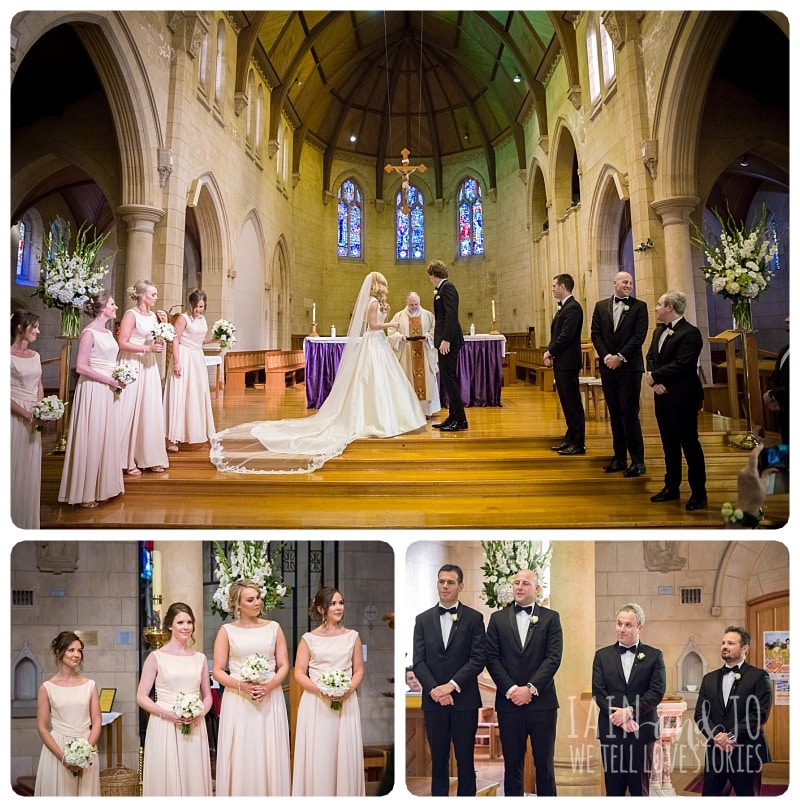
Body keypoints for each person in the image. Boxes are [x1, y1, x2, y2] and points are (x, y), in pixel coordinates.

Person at [210, 271, 426, 473]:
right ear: (379, 286)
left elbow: (377, 322)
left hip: (379, 345)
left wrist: (385, 314)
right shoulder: (371, 303)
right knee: (370, 380)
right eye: (384, 285)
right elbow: (372, 326)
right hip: (374, 343)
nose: (385, 288)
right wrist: (392, 322)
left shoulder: (377, 303)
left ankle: (387, 417)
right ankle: (374, 419)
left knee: (383, 381)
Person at [485, 569, 562, 796]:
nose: (519, 587)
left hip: (543, 703)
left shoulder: (551, 618)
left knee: (545, 766)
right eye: (516, 583)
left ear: (536, 589)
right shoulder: (497, 619)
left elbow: (553, 657)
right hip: (509, 705)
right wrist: (511, 690)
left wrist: (530, 689)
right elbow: (492, 657)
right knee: (512, 766)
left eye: (525, 583)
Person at [412, 564, 486, 796]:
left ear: (460, 586)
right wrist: (435, 690)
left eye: (450, 582)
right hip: (434, 702)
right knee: (438, 760)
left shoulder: (474, 618)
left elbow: (478, 658)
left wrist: (451, 686)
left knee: (465, 760)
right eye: (441, 581)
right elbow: (418, 661)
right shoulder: (422, 620)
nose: (444, 586)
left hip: (464, 700)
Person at [212, 579, 291, 796]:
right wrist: (242, 686)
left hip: (269, 697)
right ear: (238, 604)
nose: (257, 603)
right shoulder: (226, 631)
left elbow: (284, 665)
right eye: (250, 599)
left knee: (268, 750)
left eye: (258, 598)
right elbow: (218, 670)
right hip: (239, 700)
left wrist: (270, 686)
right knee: (242, 751)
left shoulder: (274, 628)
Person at [292, 587, 365, 796]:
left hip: (346, 701)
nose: (339, 607)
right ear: (321, 608)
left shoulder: (353, 637)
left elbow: (359, 670)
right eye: (333, 603)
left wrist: (348, 689)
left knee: (343, 753)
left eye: (341, 603)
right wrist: (322, 691)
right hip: (317, 703)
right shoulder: (308, 639)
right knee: (320, 753)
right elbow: (299, 672)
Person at [136, 602, 213, 796]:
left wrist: (200, 713)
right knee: (166, 777)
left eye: (189, 622)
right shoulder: (156, 657)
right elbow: (141, 696)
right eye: (180, 622)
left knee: (192, 774)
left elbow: (208, 696)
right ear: (170, 625)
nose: (186, 627)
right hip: (164, 725)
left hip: (194, 725)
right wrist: (167, 714)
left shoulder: (200, 658)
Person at [58, 292, 125, 508]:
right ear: (102, 307)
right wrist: (109, 380)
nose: (115, 307)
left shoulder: (106, 331)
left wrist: (120, 376)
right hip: (94, 389)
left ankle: (105, 486)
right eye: (112, 304)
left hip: (108, 388)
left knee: (107, 435)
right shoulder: (89, 333)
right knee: (93, 435)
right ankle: (86, 492)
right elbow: (81, 367)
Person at [592, 603, 666, 797]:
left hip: (641, 731)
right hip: (611, 731)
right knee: (613, 790)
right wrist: (618, 716)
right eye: (619, 624)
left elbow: (657, 691)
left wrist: (630, 712)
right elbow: (599, 692)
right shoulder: (602, 656)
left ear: (639, 628)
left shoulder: (654, 656)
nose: (621, 629)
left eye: (628, 625)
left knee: (639, 790)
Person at [645, 290, 707, 510]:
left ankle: (699, 493)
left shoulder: (690, 333)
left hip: (682, 397)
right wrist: (654, 381)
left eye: (659, 304)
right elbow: (650, 357)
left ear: (670, 307)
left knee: (689, 445)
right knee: (669, 445)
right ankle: (671, 487)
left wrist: (656, 377)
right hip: (662, 396)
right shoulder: (658, 331)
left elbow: (683, 364)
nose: (656, 307)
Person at [694, 626, 772, 796]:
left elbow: (759, 714)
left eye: (730, 643)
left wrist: (730, 736)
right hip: (717, 752)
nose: (724, 646)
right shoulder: (709, 679)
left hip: (746, 751)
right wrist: (717, 736)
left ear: (745, 649)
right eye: (723, 643)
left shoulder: (759, 677)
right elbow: (701, 714)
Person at [590, 271, 649, 476]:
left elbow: (639, 336)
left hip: (630, 367)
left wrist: (620, 357)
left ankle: (638, 461)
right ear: (614, 283)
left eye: (631, 282)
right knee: (615, 413)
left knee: (629, 413)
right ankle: (619, 458)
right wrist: (606, 356)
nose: (628, 285)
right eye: (625, 282)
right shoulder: (600, 307)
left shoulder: (639, 307)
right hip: (608, 368)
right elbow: (595, 334)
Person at [34, 631, 101, 796]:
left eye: (79, 651)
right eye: (71, 650)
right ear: (59, 652)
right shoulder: (47, 688)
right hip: (58, 750)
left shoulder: (90, 685)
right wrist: (63, 758)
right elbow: (42, 727)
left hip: (86, 746)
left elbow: (97, 720)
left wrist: (87, 750)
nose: (76, 655)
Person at [117, 279, 169, 475]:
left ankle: (150, 456)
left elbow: (157, 341)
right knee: (129, 409)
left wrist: (163, 326)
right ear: (141, 295)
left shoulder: (155, 316)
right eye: (153, 294)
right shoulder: (131, 315)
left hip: (149, 366)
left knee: (150, 410)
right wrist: (148, 348)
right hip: (132, 363)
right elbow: (122, 342)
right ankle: (125, 459)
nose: (156, 298)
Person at [163, 289, 216, 452]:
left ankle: (193, 431)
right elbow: (176, 340)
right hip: (184, 356)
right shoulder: (183, 318)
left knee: (195, 394)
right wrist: (177, 362)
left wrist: (218, 338)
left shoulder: (202, 319)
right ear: (191, 304)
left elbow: (200, 340)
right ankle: (171, 437)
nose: (199, 310)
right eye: (197, 306)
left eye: (202, 306)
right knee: (180, 394)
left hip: (197, 358)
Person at [544, 273, 585, 455]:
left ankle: (578, 443)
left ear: (562, 286)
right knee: (567, 403)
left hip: (568, 363)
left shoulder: (573, 308)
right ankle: (570, 437)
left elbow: (566, 336)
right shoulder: (564, 307)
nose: (552, 288)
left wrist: (550, 351)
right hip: (562, 362)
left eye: (554, 285)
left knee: (573, 403)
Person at [11, 310, 44, 528]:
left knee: (29, 469)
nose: (38, 331)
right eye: (34, 327)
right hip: (14, 416)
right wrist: (26, 414)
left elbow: (39, 385)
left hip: (34, 416)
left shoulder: (36, 356)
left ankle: (26, 519)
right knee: (13, 465)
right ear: (20, 328)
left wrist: (41, 410)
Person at [427, 260, 467, 431]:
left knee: (450, 379)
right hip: (445, 339)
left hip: (449, 341)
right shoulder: (442, 289)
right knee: (447, 379)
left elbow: (451, 315)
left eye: (430, 277)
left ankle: (460, 420)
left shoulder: (447, 288)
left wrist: (446, 339)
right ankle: (453, 416)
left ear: (433, 275)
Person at [387, 291, 440, 417]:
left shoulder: (428, 315)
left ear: (419, 301)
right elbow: (390, 331)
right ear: (407, 302)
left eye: (416, 304)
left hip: (424, 352)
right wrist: (400, 337)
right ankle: (409, 413)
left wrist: (428, 337)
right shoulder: (399, 316)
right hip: (407, 354)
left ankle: (425, 411)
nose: (414, 307)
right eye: (411, 304)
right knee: (408, 380)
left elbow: (435, 329)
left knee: (426, 382)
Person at [762, 315, 788, 444]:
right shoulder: (785, 350)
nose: (786, 321)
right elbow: (775, 376)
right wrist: (773, 395)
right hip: (783, 408)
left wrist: (773, 394)